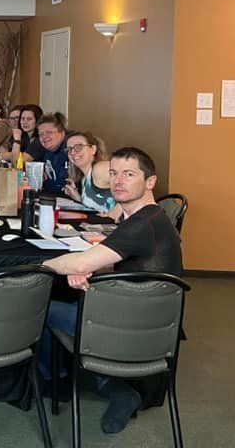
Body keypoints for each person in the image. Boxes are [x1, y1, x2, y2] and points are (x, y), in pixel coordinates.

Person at [42, 147, 183, 435]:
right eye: (114, 174)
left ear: (150, 182)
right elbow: (122, 262)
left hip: (127, 328)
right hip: (153, 324)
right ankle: (114, 389)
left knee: (40, 307)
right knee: (68, 291)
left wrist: (44, 265)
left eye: (129, 174)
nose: (118, 181)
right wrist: (86, 269)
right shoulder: (148, 218)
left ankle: (54, 383)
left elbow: (81, 260)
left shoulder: (141, 224)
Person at [64, 130, 120, 220]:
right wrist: (77, 197)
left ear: (93, 149)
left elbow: (138, 184)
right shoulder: (84, 179)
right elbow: (95, 208)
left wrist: (115, 212)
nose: (73, 153)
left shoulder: (100, 169)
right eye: (69, 149)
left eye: (78, 147)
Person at [24, 112, 69, 194]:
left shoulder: (70, 152)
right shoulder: (47, 152)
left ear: (62, 133)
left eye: (49, 132)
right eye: (41, 134)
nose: (44, 137)